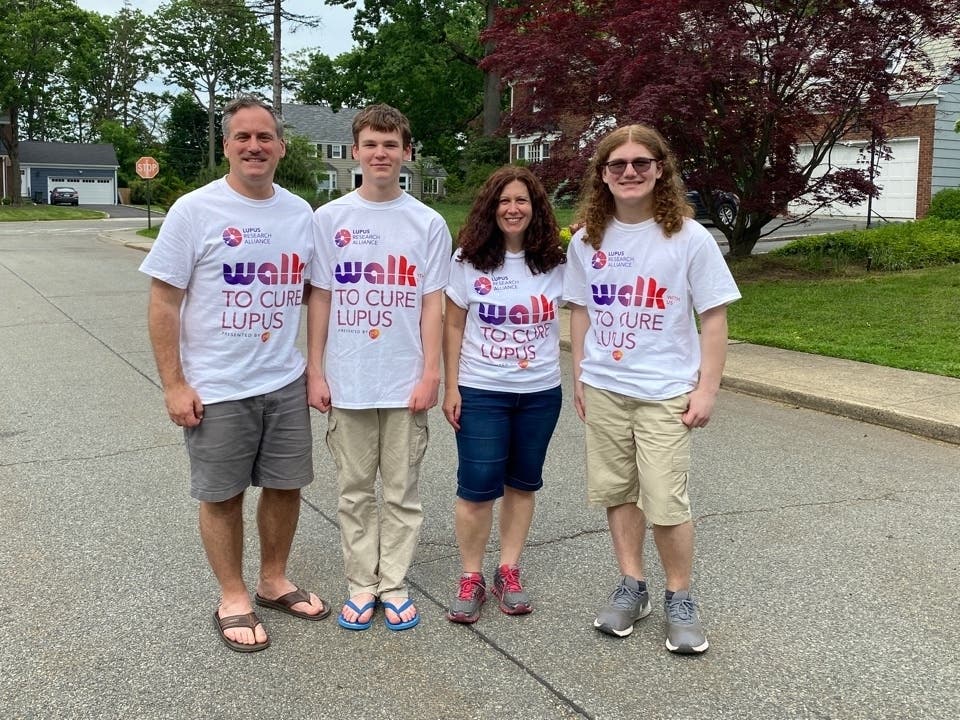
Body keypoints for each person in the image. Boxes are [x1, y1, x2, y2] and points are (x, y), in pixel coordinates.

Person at [139, 96, 330, 653]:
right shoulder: (194, 210)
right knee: (222, 495)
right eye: (242, 137)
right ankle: (233, 595)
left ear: (281, 147)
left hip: (282, 378)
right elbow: (163, 302)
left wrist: (315, 369)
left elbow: (316, 292)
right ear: (226, 146)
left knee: (286, 486)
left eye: (264, 137)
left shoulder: (299, 213)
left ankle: (273, 580)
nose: (254, 146)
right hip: (217, 385)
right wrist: (174, 383)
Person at [563, 124, 741, 654]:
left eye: (641, 163)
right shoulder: (586, 240)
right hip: (605, 386)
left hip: (666, 390)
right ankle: (632, 586)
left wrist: (707, 389)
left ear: (661, 169)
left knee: (665, 498)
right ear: (603, 175)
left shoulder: (690, 237)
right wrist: (579, 377)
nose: (630, 172)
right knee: (618, 492)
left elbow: (713, 318)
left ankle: (679, 597)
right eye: (617, 165)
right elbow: (580, 312)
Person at [306, 103, 450, 632]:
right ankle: (360, 584)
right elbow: (320, 296)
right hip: (349, 378)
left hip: (403, 378)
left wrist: (430, 371)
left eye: (391, 145)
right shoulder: (330, 219)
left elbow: (433, 301)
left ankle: (394, 583)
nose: (381, 153)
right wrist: (316, 370)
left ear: (406, 153)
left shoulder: (427, 222)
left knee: (401, 491)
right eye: (371, 144)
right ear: (355, 152)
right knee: (352, 489)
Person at [442, 166, 565, 624]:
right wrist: (449, 385)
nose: (513, 209)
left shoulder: (555, 262)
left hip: (539, 392)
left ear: (536, 209)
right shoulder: (468, 259)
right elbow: (452, 324)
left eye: (522, 201)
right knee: (476, 488)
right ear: (490, 208)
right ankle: (470, 575)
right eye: (504, 201)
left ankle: (508, 569)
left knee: (522, 483)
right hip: (482, 390)